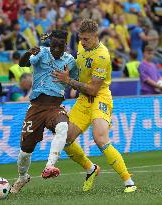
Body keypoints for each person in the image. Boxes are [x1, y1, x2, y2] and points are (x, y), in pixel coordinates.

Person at [52, 18, 137, 193]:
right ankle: (91, 169)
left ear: (96, 36)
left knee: (100, 138)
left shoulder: (102, 56)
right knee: (65, 139)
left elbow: (93, 89)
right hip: (84, 99)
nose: (82, 42)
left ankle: (129, 182)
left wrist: (69, 81)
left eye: (86, 39)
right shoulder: (82, 48)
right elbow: (80, 71)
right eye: (80, 38)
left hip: (100, 97)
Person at [10, 29, 78, 193]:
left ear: (65, 45)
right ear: (50, 43)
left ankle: (50, 166)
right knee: (25, 152)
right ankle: (22, 177)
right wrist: (28, 52)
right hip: (36, 107)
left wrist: (71, 83)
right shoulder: (42, 53)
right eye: (53, 45)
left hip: (55, 106)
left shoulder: (70, 61)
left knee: (63, 127)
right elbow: (22, 63)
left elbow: (76, 80)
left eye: (59, 46)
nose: (55, 48)